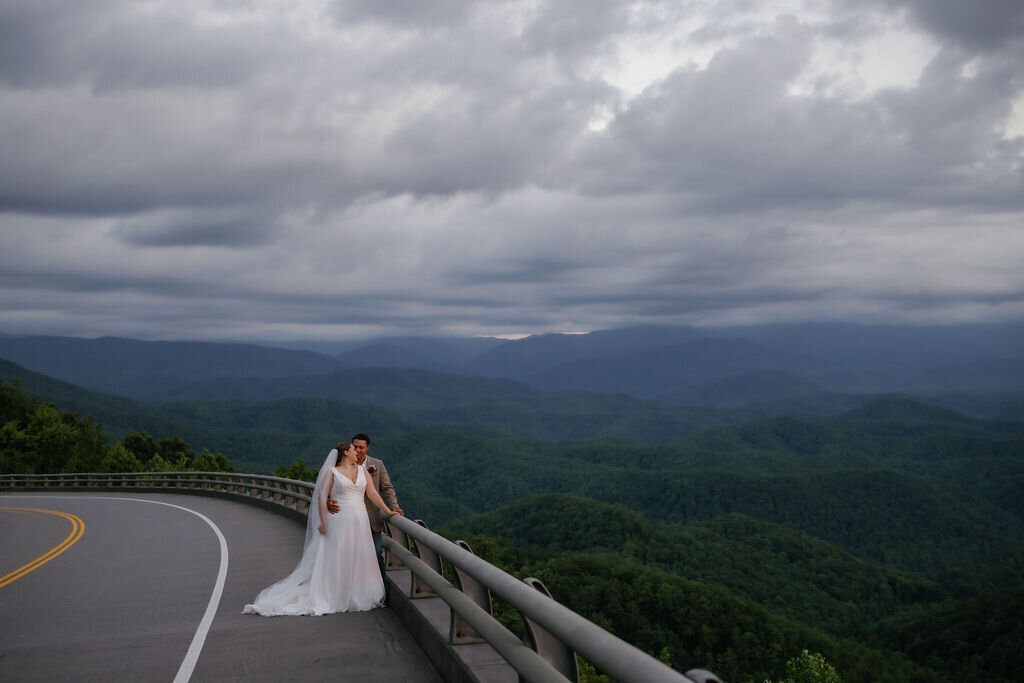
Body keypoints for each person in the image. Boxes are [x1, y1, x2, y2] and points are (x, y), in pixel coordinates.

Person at [242, 442, 400, 616]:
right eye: (354, 449)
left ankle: (356, 594)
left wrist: (388, 510)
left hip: (360, 520)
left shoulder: (362, 471)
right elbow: (321, 498)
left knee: (358, 556)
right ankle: (337, 594)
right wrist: (324, 523)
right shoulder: (332, 472)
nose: (357, 452)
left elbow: (372, 493)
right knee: (339, 557)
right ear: (345, 452)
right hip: (339, 520)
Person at [326, 433, 403, 597]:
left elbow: (386, 489)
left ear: (367, 448)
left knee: (375, 553)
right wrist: (327, 501)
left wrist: (393, 507)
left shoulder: (376, 465)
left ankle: (380, 592)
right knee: (346, 556)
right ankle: (347, 592)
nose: (358, 450)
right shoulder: (337, 466)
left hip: (371, 519)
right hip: (345, 519)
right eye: (355, 447)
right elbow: (327, 487)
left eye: (361, 447)